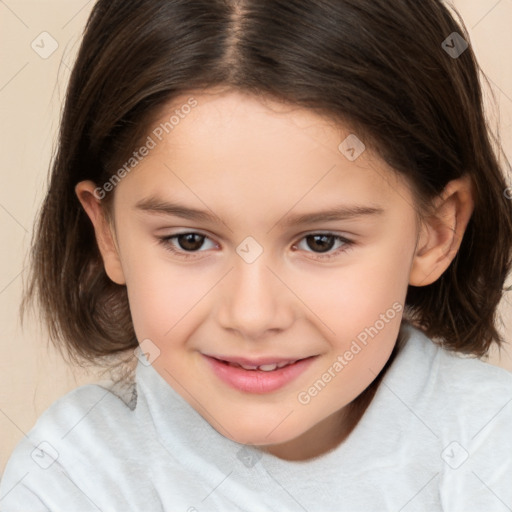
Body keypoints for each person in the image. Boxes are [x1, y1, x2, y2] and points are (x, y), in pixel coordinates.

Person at [1, 0, 512, 510]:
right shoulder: (74, 473)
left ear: (435, 232)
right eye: (190, 240)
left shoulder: (492, 449)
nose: (251, 315)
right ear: (107, 233)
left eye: (321, 242)